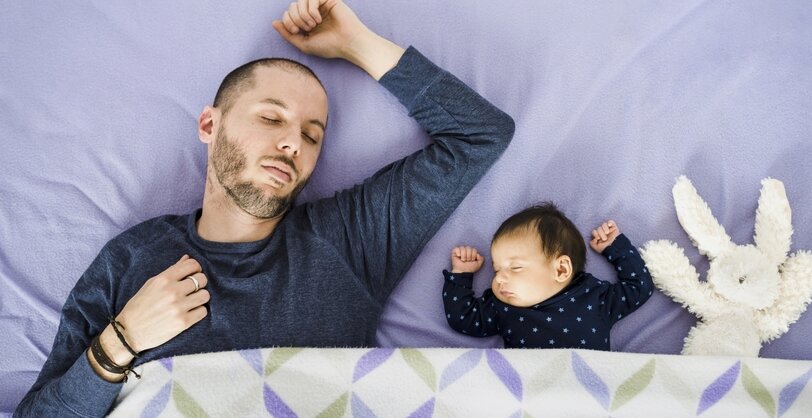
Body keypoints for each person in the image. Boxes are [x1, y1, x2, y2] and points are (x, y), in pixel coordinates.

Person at [14, 0, 514, 416]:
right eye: (271, 117)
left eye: (311, 134)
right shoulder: (130, 260)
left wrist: (356, 44)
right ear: (210, 127)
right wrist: (118, 345)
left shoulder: (351, 239)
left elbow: (481, 135)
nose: (292, 142)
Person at [442, 203, 653, 349]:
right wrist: (461, 275)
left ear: (561, 270)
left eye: (515, 267)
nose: (499, 279)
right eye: (497, 270)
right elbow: (463, 319)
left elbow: (639, 287)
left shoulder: (594, 298)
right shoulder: (502, 308)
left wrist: (615, 248)